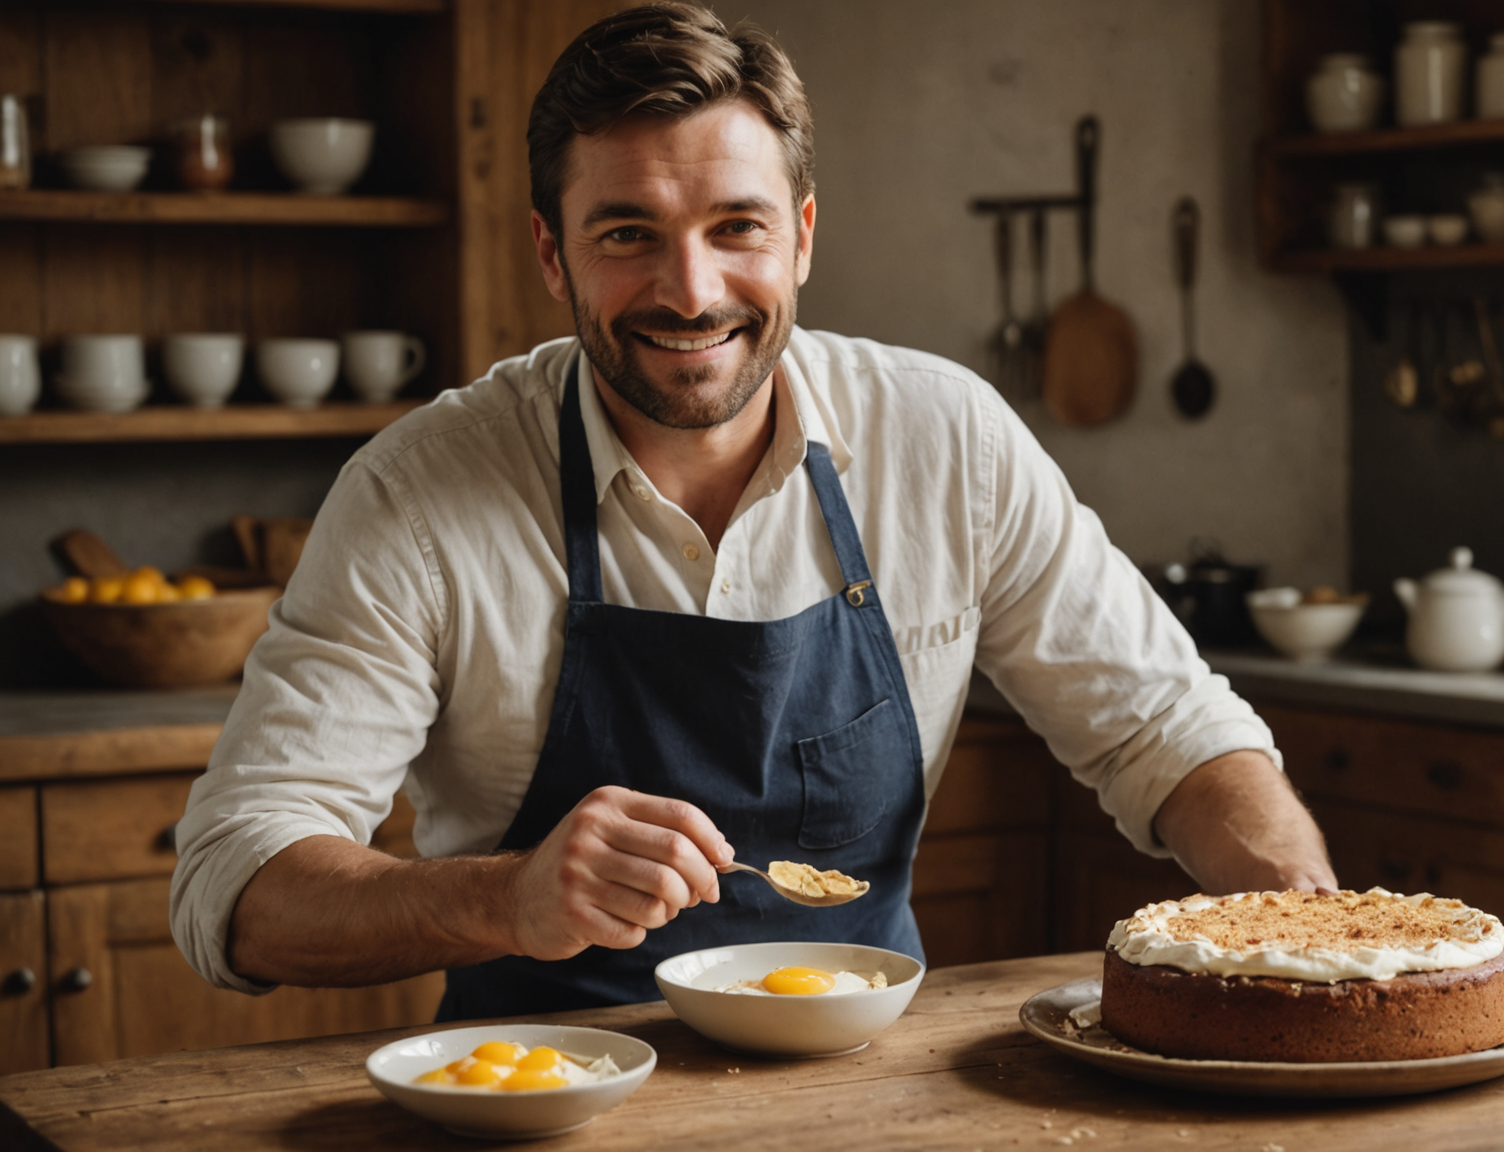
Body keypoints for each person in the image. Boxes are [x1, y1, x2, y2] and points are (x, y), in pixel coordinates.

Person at [171, 1, 1335, 1021]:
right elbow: (236, 881)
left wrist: (1314, 931)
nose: (692, 291)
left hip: (867, 1090)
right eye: (627, 233)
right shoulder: (416, 496)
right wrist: (507, 898)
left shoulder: (948, 442)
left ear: (803, 236)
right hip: (543, 1089)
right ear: (552, 255)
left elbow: (1170, 737)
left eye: (737, 227)